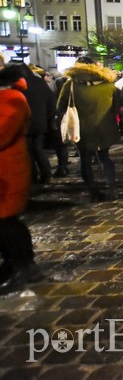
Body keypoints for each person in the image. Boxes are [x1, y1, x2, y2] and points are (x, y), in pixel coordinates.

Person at [0, 58, 42, 293]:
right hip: (6, 170)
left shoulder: (11, 99)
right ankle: (13, 263)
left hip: (7, 171)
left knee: (7, 223)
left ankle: (24, 265)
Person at [58, 56, 121, 202]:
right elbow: (118, 105)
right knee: (105, 157)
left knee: (85, 159)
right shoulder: (108, 84)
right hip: (104, 128)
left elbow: (60, 107)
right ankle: (113, 187)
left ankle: (92, 191)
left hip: (81, 129)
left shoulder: (71, 85)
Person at [19, 63, 56, 184]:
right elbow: (51, 101)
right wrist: (48, 117)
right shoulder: (39, 82)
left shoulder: (18, 85)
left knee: (28, 151)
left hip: (24, 122)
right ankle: (46, 174)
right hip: (40, 122)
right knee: (38, 149)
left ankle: (33, 176)